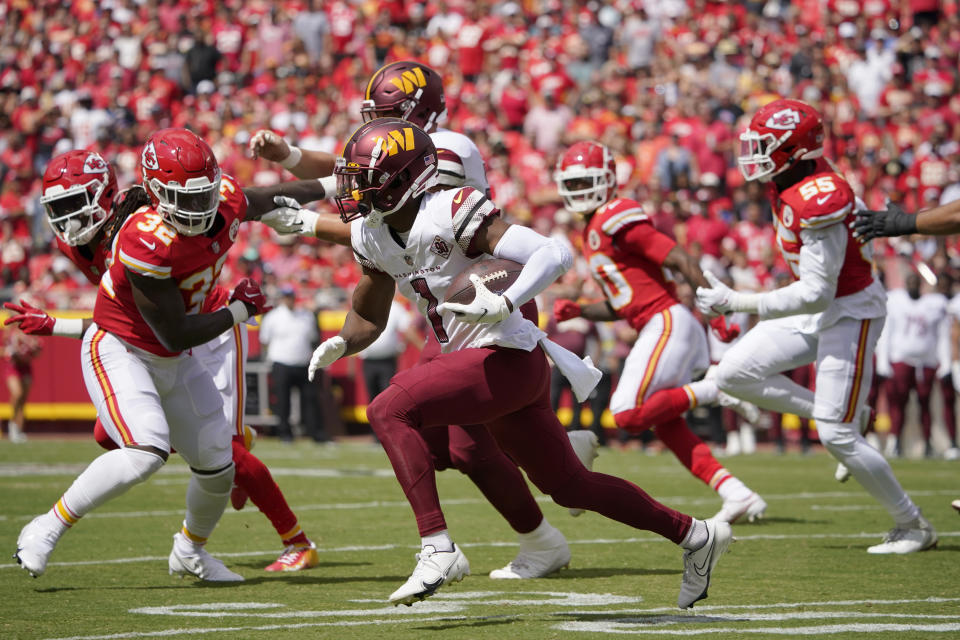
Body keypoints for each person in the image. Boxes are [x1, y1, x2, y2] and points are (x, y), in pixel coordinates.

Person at [307, 117, 731, 609]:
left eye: (366, 176)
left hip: (504, 355)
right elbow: (369, 312)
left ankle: (437, 548)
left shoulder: (450, 208)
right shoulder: (373, 234)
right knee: (570, 487)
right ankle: (697, 536)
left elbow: (553, 252)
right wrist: (342, 342)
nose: (355, 188)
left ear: (403, 178)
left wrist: (508, 303)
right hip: (486, 366)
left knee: (388, 408)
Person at [251, 61, 601, 581]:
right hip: (447, 308)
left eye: (387, 114)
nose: (376, 123)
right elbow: (351, 182)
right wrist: (290, 159)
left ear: (418, 113)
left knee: (460, 441)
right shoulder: (395, 153)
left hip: (481, 298)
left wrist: (302, 219)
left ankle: (542, 517)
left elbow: (376, 205)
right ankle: (552, 474)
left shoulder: (448, 147)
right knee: (444, 444)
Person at [10, 135, 327, 580]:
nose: (198, 207)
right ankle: (46, 527)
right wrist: (240, 310)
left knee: (219, 463)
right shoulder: (144, 241)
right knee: (144, 450)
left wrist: (336, 186)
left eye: (205, 194)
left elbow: (263, 197)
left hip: (182, 347)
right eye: (185, 198)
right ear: (157, 196)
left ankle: (190, 551)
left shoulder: (222, 201)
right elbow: (168, 329)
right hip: (128, 349)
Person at [696, 98, 937, 554]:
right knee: (731, 374)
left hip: (849, 310)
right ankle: (853, 414)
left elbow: (817, 292)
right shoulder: (792, 180)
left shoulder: (818, 195)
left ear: (793, 150)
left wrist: (737, 301)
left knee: (835, 434)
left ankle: (914, 525)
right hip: (819, 306)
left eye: (765, 145)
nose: (753, 153)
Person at [551, 140, 766, 524]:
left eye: (588, 181)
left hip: (665, 320)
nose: (581, 190)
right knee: (665, 423)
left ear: (607, 181)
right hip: (655, 320)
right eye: (574, 183)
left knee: (627, 413)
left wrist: (714, 307)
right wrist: (581, 310)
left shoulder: (616, 214)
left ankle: (720, 387)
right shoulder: (591, 231)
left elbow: (680, 258)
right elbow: (624, 302)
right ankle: (737, 493)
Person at [879, 272, 947, 458]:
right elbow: (887, 332)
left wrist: (943, 361)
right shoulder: (895, 301)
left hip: (925, 362)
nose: (913, 285)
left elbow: (941, 334)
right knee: (898, 404)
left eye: (916, 282)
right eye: (910, 281)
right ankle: (895, 441)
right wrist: (883, 361)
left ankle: (927, 442)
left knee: (925, 404)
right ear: (905, 284)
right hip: (901, 358)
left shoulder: (933, 304)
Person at [259, 285, 330, 444]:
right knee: (283, 400)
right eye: (286, 296)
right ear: (282, 298)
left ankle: (315, 433)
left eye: (290, 296)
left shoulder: (306, 315)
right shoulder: (273, 317)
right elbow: (264, 341)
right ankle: (285, 434)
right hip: (281, 363)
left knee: (310, 399)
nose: (288, 299)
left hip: (303, 363)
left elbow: (313, 338)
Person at [2, 322, 41, 443]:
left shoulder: (30, 336)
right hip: (13, 368)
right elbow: (4, 350)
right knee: (17, 394)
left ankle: (18, 429)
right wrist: (9, 352)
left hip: (25, 368)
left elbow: (37, 352)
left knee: (23, 400)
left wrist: (33, 348)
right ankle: (12, 423)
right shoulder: (9, 334)